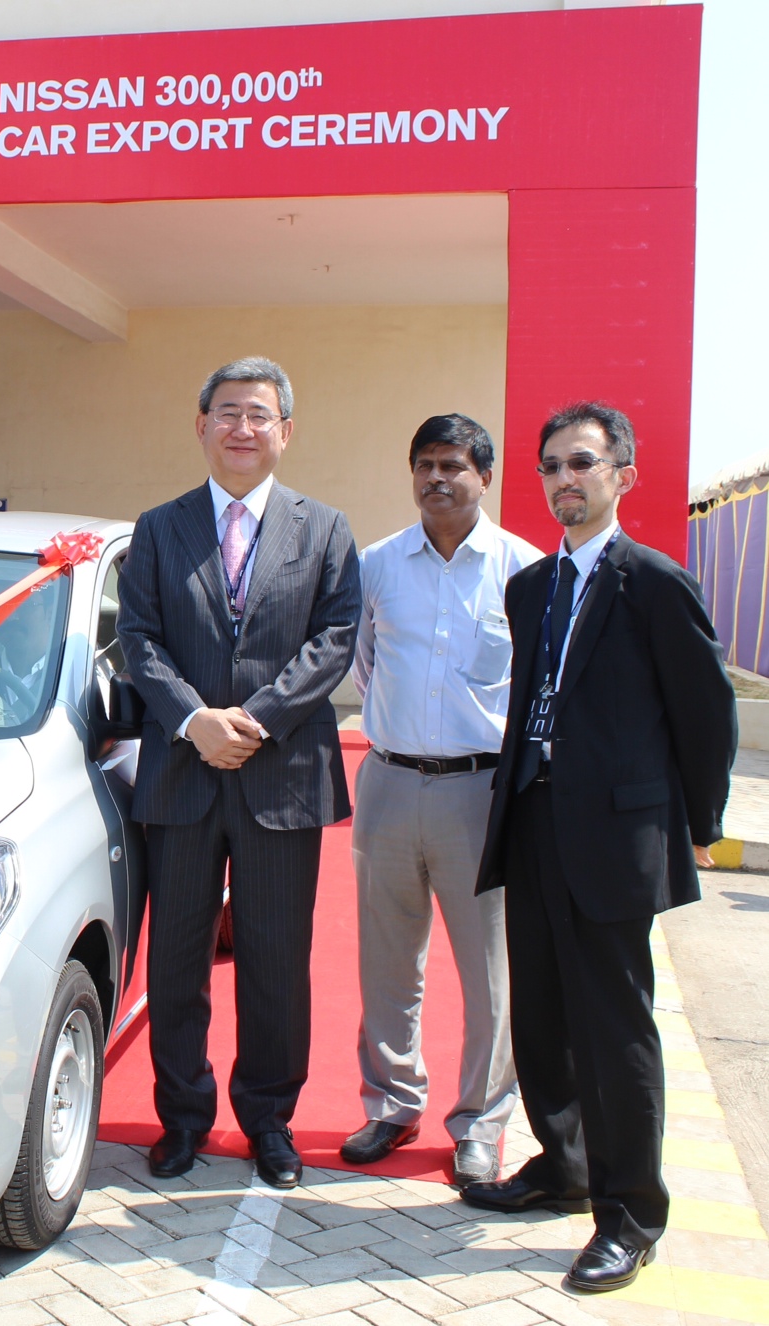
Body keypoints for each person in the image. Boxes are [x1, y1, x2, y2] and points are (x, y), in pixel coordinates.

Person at [462, 403, 734, 1293]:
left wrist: (697, 824)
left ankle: (630, 1215)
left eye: (581, 462)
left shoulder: (655, 584)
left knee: (614, 1028)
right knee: (541, 1016)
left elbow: (706, 714)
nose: (563, 479)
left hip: (617, 836)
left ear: (623, 475)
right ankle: (564, 1166)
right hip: (533, 821)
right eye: (550, 465)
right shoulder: (531, 588)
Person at [117, 356, 360, 1188]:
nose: (242, 428)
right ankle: (182, 1118)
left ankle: (269, 1120)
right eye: (227, 412)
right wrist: (194, 721)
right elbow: (139, 638)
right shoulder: (159, 528)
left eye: (259, 414)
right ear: (201, 426)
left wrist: (252, 722)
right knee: (176, 963)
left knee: (274, 963)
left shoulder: (325, 529)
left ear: (285, 431)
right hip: (182, 778)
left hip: (280, 775)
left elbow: (334, 640)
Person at [343, 414, 540, 1186]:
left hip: (480, 792)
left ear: (484, 476)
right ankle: (392, 1103)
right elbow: (364, 664)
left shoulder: (523, 570)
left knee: (490, 970)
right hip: (389, 781)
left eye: (453, 465)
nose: (436, 478)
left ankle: (480, 1124)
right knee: (388, 959)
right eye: (424, 464)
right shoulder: (378, 565)